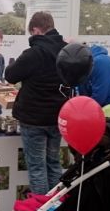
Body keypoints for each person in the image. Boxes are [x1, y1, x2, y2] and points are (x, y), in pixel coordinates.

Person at [5, 12, 67, 194]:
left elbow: (10, 75)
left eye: (31, 33)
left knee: (37, 168)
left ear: (36, 30)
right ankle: (57, 210)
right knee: (54, 163)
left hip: (33, 119)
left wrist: (14, 63)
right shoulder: (65, 50)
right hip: (57, 117)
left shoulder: (34, 53)